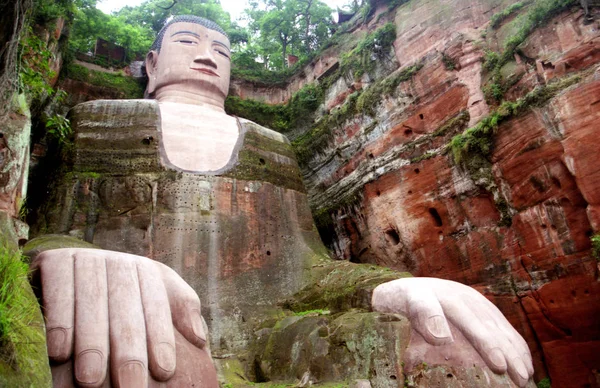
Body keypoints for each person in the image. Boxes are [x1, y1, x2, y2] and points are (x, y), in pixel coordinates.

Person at [31, 15, 534, 387]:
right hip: (154, 321)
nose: (207, 54)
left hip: (280, 334)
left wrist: (390, 288)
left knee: (455, 349)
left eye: (223, 52)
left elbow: (310, 269)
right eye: (188, 42)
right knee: (144, 356)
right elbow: (41, 230)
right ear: (153, 62)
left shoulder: (270, 145)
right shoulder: (100, 121)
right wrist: (73, 258)